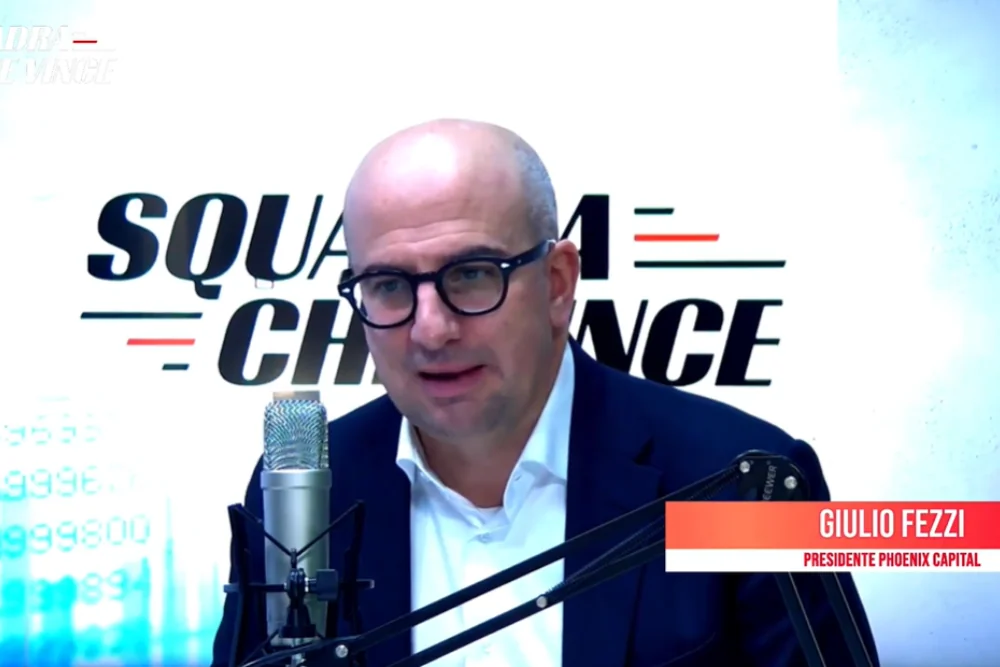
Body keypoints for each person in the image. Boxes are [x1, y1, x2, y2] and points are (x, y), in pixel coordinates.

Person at [212, 119, 880, 667]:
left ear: (558, 283)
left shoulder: (744, 484)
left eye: (471, 274)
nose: (431, 329)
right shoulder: (306, 488)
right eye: (388, 285)